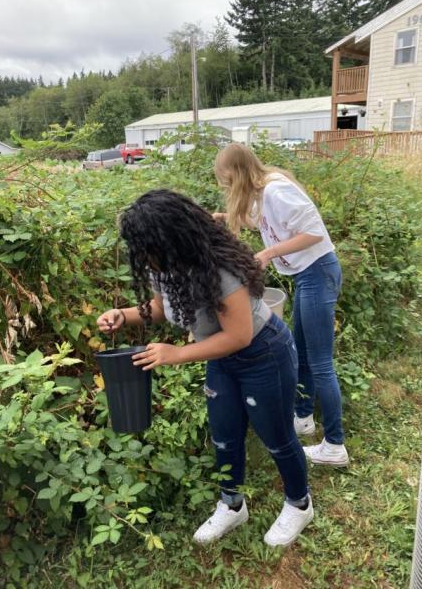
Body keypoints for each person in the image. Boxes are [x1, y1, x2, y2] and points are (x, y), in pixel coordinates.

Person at [97, 189, 313, 547]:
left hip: (263, 354)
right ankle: (232, 505)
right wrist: (124, 316)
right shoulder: (162, 265)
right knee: (224, 436)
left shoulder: (220, 268)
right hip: (221, 360)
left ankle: (299, 503)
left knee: (277, 437)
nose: (145, 258)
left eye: (148, 248)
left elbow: (239, 335)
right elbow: (162, 308)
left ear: (172, 240)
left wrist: (176, 353)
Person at [214, 143, 349, 467]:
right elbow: (269, 226)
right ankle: (303, 417)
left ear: (237, 172)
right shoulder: (262, 195)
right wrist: (224, 218)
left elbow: (313, 232)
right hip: (307, 276)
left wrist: (268, 254)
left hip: (318, 272)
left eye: (226, 180)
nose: (226, 187)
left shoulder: (276, 190)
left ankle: (334, 445)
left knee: (320, 363)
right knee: (303, 352)